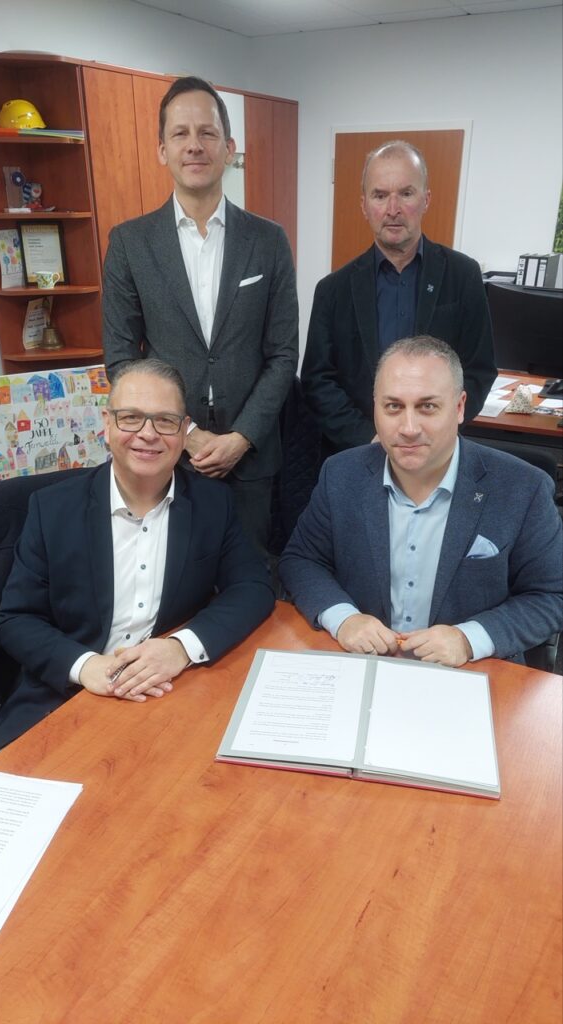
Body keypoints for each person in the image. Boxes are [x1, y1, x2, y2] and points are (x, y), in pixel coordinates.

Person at [0, 360, 275, 755]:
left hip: (166, 693)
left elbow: (253, 587)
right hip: (62, 694)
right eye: (131, 418)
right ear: (107, 424)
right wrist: (86, 665)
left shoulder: (213, 503)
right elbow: (15, 619)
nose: (148, 434)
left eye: (165, 421)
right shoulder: (51, 508)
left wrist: (180, 648)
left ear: (183, 430)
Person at [102, 76, 299, 555]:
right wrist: (186, 434)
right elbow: (123, 359)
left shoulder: (268, 241)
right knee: (171, 577)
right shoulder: (130, 244)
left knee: (251, 576)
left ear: (229, 148)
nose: (195, 145)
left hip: (250, 461)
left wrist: (241, 437)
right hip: (165, 453)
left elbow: (282, 355)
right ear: (162, 150)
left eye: (207, 133)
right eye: (180, 134)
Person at [280, 337, 562, 667]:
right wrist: (343, 618)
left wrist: (468, 639)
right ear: (375, 407)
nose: (409, 428)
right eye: (393, 407)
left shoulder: (523, 488)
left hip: (472, 670)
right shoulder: (341, 474)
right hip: (362, 663)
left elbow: (551, 595)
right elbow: (301, 560)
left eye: (427, 407)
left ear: (459, 407)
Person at [301, 140, 497, 457]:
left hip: (437, 455)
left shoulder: (463, 276)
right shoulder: (333, 290)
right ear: (364, 205)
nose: (393, 209)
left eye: (406, 193)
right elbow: (318, 380)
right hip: (358, 453)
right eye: (380, 195)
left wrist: (434, 433)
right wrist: (369, 439)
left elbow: (479, 369)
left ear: (426, 199)